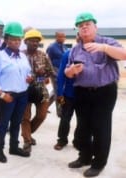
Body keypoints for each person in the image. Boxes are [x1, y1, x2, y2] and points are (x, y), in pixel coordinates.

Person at [65, 12, 126, 177]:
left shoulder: (107, 42)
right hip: (82, 92)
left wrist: (104, 48)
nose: (84, 27)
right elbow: (68, 72)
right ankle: (84, 157)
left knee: (100, 128)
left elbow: (124, 54)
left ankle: (98, 164)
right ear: (78, 30)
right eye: (80, 25)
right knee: (82, 129)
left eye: (88, 24)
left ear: (95, 27)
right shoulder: (75, 49)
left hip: (104, 92)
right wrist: (71, 71)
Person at [0, 22, 32, 163]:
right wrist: (1, 94)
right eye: (13, 39)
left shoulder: (23, 57)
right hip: (6, 95)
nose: (16, 42)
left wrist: (29, 78)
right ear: (6, 40)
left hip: (22, 95)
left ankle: (14, 147)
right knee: (3, 123)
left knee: (16, 122)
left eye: (19, 39)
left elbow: (27, 72)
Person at [20, 29, 55, 156]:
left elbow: (50, 73)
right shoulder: (20, 56)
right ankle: (27, 141)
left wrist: (41, 76)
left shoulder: (43, 55)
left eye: (37, 41)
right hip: (24, 91)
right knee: (25, 118)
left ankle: (27, 133)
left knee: (42, 115)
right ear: (26, 41)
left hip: (41, 91)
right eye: (32, 41)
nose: (35, 43)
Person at [54, 44, 80, 151]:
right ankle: (62, 140)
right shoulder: (68, 54)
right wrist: (59, 93)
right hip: (68, 94)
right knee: (65, 118)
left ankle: (78, 141)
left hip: (84, 95)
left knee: (83, 120)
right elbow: (61, 75)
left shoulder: (92, 54)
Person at [46, 31, 67, 117]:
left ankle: (45, 106)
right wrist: (51, 72)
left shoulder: (64, 47)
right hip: (54, 71)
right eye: (60, 37)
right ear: (56, 37)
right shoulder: (51, 47)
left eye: (63, 37)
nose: (62, 38)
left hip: (63, 71)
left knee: (56, 91)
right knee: (59, 90)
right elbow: (47, 60)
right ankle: (60, 111)